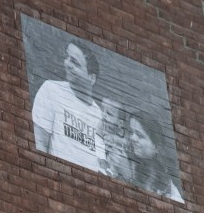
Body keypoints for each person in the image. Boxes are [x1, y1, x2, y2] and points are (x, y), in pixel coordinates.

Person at [31, 40, 105, 171]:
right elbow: (40, 145)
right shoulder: (51, 90)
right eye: (67, 57)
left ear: (91, 78)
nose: (68, 64)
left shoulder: (100, 115)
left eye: (75, 63)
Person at [127, 111, 183, 203]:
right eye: (131, 132)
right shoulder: (125, 161)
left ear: (156, 147)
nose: (132, 138)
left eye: (140, 135)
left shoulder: (168, 188)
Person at [99, 98, 133, 182]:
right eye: (102, 110)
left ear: (120, 123)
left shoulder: (126, 138)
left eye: (109, 113)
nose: (104, 114)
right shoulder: (100, 128)